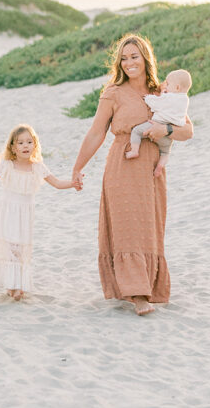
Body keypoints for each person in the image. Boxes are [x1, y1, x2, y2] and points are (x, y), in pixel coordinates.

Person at [71, 34, 193, 316]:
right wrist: (78, 167)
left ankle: (148, 287)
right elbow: (96, 133)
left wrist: (167, 131)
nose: (128, 63)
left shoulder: (164, 92)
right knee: (128, 227)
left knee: (149, 228)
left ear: (145, 58)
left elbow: (188, 131)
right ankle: (137, 295)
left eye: (134, 57)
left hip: (152, 168)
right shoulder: (113, 93)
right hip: (123, 164)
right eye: (123, 58)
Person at [0, 124, 80, 301]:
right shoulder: (6, 165)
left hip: (25, 212)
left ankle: (18, 283)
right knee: (9, 246)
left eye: (29, 142)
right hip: (7, 210)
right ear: (13, 147)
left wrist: (73, 183)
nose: (25, 146)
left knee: (20, 248)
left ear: (35, 145)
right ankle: (12, 285)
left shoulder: (38, 166)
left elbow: (57, 183)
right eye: (21, 142)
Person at [125, 68, 192, 175]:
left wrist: (148, 98)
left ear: (177, 87)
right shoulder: (184, 100)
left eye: (168, 84)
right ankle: (159, 167)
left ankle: (134, 151)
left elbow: (157, 104)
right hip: (168, 139)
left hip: (155, 126)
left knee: (136, 131)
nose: (166, 85)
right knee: (165, 152)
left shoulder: (168, 96)